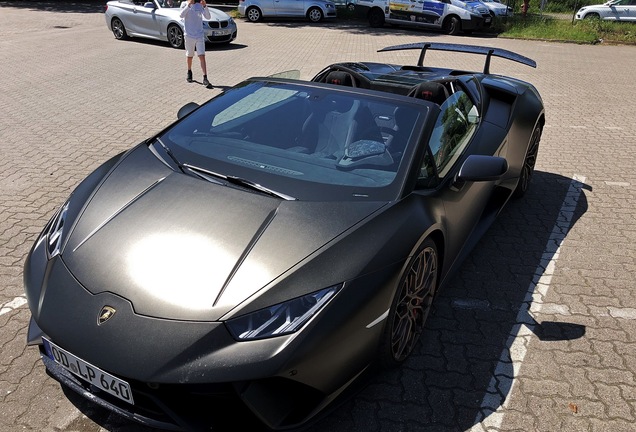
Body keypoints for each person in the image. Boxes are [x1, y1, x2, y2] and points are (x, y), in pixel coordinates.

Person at [180, 0, 211, 87]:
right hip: (189, 35)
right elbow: (181, 15)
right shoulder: (184, 4)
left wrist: (205, 6)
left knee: (202, 56)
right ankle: (189, 71)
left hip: (199, 35)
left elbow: (208, 17)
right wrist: (189, 5)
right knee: (190, 55)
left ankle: (205, 77)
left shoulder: (199, 5)